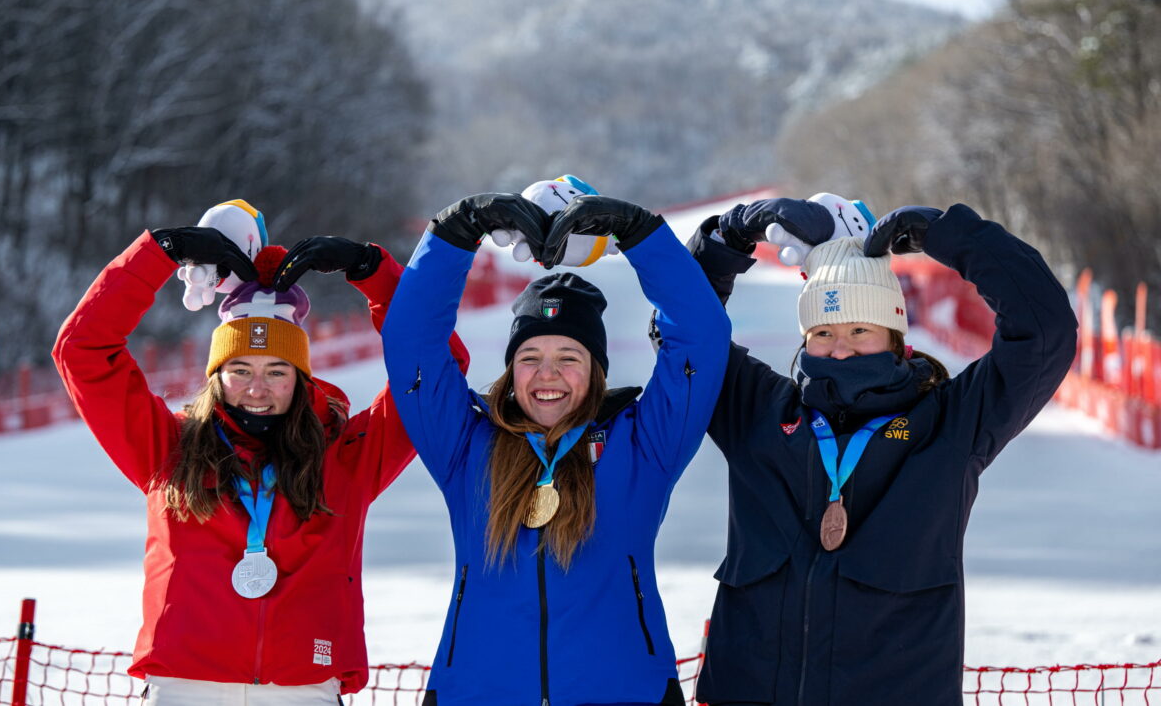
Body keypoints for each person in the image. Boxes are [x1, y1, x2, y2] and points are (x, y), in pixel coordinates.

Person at [53, 223, 467, 704]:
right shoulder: (167, 449)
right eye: (240, 370)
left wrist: (373, 272)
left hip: (305, 689)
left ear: (302, 377)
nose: (257, 388)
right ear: (216, 375)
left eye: (276, 371)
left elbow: (436, 370)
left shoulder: (349, 455)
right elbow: (81, 351)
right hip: (186, 687)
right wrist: (160, 253)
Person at [685, 200, 1078, 706]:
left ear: (894, 337)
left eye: (859, 331)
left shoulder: (950, 423)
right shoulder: (759, 412)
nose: (840, 348)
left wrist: (954, 238)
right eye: (823, 333)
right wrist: (729, 236)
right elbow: (685, 337)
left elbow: (1045, 333)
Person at [380, 192, 731, 706]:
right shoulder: (466, 447)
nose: (547, 375)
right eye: (530, 356)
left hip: (627, 694)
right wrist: (456, 232)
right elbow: (412, 344)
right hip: (475, 695)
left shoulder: (643, 445)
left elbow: (701, 340)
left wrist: (640, 234)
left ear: (595, 372)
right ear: (510, 369)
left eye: (569, 356)